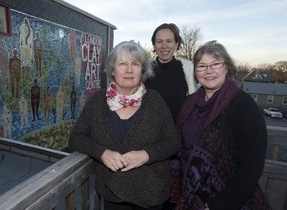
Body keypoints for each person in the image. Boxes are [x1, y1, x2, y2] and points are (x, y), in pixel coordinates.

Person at [69, 41, 180, 210]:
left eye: (135, 64)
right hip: (112, 194)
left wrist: (147, 155)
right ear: (112, 70)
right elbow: (76, 137)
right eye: (122, 64)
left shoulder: (155, 100)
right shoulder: (98, 100)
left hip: (152, 195)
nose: (129, 70)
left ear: (142, 70)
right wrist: (102, 153)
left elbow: (173, 142)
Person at [170, 41, 272, 210]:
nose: (209, 71)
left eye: (215, 64)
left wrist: (220, 204)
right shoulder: (189, 104)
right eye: (202, 66)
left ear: (226, 68)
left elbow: (251, 166)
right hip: (190, 195)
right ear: (196, 72)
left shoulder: (243, 106)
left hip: (228, 199)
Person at [145, 23, 198, 122]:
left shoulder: (188, 69)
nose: (164, 46)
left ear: (176, 44)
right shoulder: (144, 69)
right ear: (154, 45)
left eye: (169, 41)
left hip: (180, 133)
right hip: (150, 133)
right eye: (159, 41)